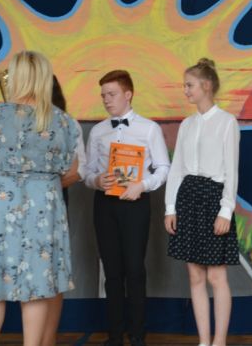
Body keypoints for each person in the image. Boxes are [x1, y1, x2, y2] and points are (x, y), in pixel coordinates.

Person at [0, 51, 80, 346]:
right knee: (37, 288)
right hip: (45, 205)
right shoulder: (63, 122)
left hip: (2, 205)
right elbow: (68, 164)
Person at [84, 70, 170, 346]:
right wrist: (97, 180)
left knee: (134, 269)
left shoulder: (149, 129)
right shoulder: (98, 131)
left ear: (128, 94)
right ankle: (114, 336)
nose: (106, 100)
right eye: (103, 96)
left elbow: (164, 168)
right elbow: (87, 172)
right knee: (111, 272)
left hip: (135, 204)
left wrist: (142, 185)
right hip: (104, 205)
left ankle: (137, 334)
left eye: (111, 94)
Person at [164, 58, 240, 346]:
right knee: (195, 276)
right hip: (188, 198)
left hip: (213, 199)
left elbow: (231, 171)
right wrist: (170, 208)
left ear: (206, 86)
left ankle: (219, 341)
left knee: (216, 277)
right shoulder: (187, 124)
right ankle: (204, 341)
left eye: (189, 85)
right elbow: (177, 169)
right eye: (185, 85)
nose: (185, 90)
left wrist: (225, 210)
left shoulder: (227, 122)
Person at [41, 75, 86, 346]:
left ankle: (48, 340)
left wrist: (45, 184)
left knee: (52, 271)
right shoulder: (13, 121)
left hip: (53, 203)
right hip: (19, 208)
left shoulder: (67, 123)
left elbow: (79, 170)